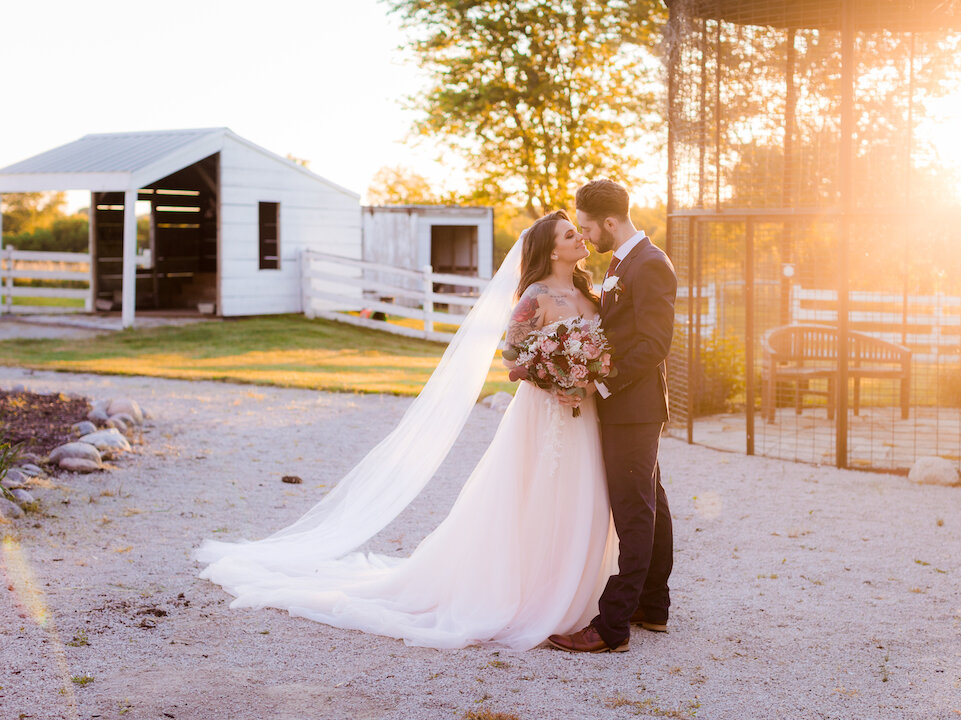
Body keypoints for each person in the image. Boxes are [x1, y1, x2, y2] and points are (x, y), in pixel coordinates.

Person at [196, 210, 617, 651]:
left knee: (580, 496)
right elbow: (513, 356)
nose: (580, 239)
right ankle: (533, 593)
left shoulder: (589, 293)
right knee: (537, 498)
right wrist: (555, 380)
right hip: (545, 415)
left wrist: (583, 380)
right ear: (552, 249)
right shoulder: (535, 296)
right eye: (571, 234)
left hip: (582, 416)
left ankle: (579, 592)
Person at [548, 179, 677, 653]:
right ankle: (652, 606)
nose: (585, 238)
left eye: (586, 228)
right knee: (650, 502)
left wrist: (599, 383)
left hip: (633, 407)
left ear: (609, 221)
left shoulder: (650, 265)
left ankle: (612, 626)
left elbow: (654, 345)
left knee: (633, 511)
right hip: (628, 407)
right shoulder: (623, 262)